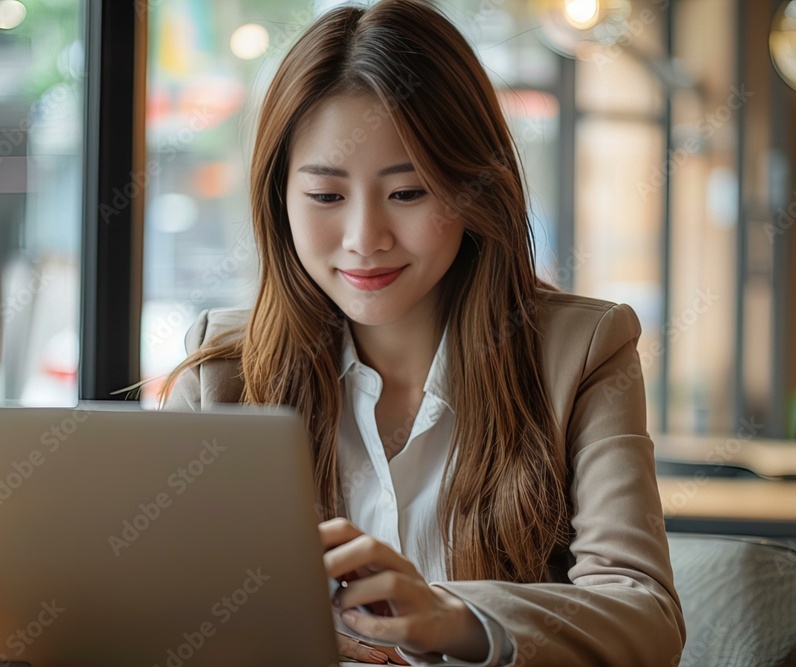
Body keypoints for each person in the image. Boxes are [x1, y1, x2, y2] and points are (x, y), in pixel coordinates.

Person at [160, 0, 685, 664]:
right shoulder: (222, 376)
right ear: (279, 201)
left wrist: (455, 617)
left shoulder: (581, 352)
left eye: (408, 193)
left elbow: (645, 617)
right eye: (326, 196)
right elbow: (164, 613)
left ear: (474, 189)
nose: (363, 240)